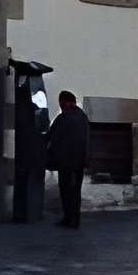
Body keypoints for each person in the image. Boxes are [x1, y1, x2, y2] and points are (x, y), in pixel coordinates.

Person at [46, 90, 91, 230]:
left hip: (65, 161)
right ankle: (75, 219)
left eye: (61, 102)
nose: (60, 105)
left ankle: (68, 218)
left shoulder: (63, 118)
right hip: (79, 161)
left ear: (66, 102)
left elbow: (51, 136)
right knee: (75, 191)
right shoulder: (83, 117)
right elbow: (87, 140)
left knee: (65, 190)